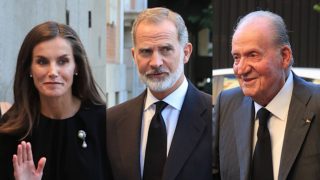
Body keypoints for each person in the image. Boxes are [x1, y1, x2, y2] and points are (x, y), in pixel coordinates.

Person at [212, 10, 320, 180]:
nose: (241, 69)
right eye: (236, 57)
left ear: (284, 57)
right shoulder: (226, 104)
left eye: (252, 55)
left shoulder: (316, 104)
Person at [107, 7, 212, 180]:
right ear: (134, 56)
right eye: (146, 51)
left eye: (166, 50)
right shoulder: (111, 122)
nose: (156, 62)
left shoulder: (215, 115)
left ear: (186, 52)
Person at [0, 21, 112, 180]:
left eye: (63, 61)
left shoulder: (102, 121)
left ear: (76, 67)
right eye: (42, 62)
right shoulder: (11, 129)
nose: (53, 72)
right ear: (29, 69)